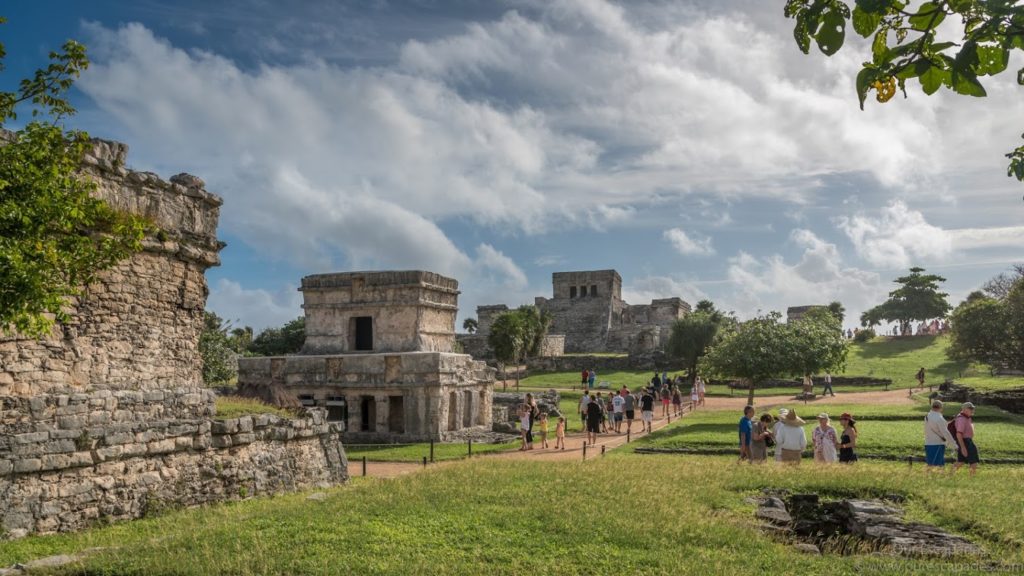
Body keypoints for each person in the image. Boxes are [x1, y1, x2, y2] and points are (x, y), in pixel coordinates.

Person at [924, 399, 957, 470]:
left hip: (928, 443)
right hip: (937, 443)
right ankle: (937, 479)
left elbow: (935, 427)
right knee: (938, 466)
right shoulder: (939, 418)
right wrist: (954, 445)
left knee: (930, 464)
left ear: (932, 407)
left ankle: (928, 479)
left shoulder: (927, 416)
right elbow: (946, 433)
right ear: (941, 408)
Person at [952, 402, 980, 476]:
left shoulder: (966, 417)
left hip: (967, 441)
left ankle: (950, 474)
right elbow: (959, 434)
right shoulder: (962, 419)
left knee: (961, 461)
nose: (972, 410)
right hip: (965, 442)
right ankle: (972, 478)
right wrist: (963, 447)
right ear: (964, 409)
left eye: (972, 408)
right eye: (970, 408)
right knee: (973, 461)